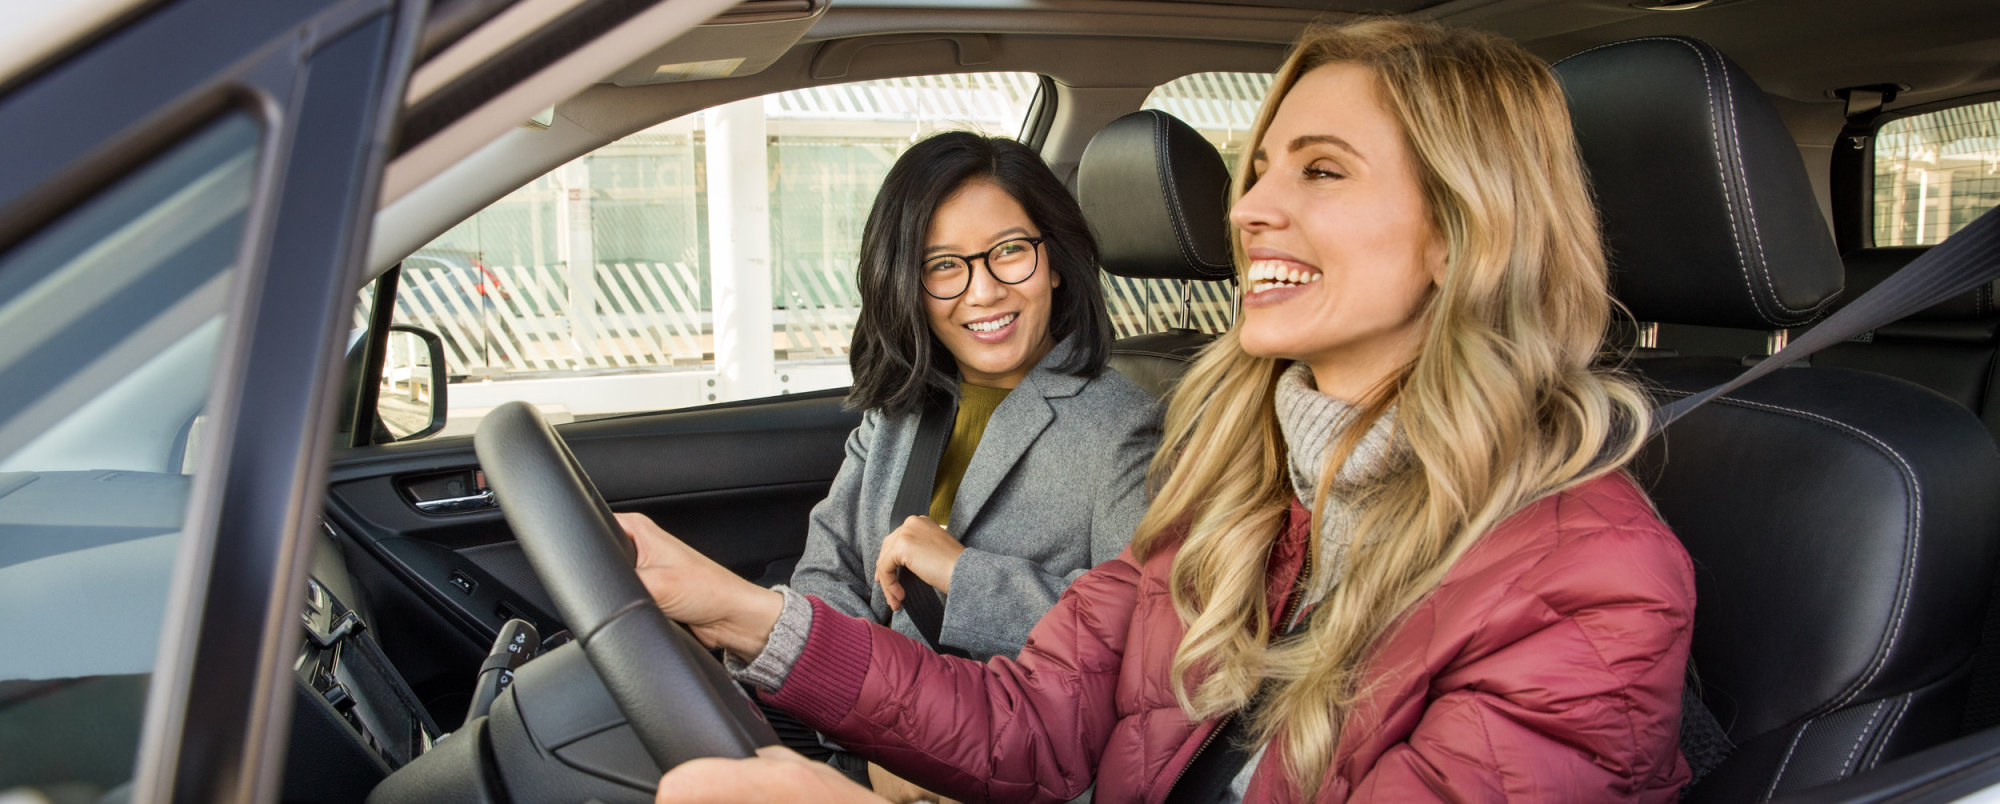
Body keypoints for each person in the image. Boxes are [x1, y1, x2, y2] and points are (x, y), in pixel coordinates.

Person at [629, 17, 1693, 803]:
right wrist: (728, 608)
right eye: (1257, 167)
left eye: (1320, 170)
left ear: (1465, 231)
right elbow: (1035, 720)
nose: (1247, 209)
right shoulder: (1232, 487)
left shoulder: (1589, 582)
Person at [757, 131, 1160, 801]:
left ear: (1054, 263)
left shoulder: (1124, 426)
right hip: (862, 745)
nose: (982, 291)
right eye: (943, 265)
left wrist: (962, 573)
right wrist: (868, 720)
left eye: (1009, 253)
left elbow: (1138, 640)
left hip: (1002, 773)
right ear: (908, 284)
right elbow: (828, 569)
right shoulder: (901, 408)